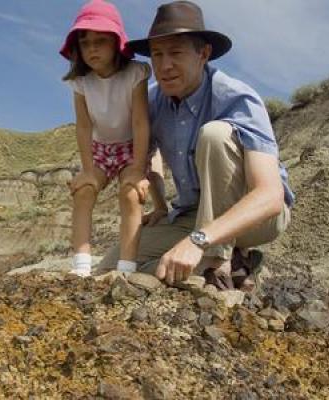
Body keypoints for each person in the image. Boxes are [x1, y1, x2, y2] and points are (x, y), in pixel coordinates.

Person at [97, 0, 295, 290]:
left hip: (254, 217)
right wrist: (161, 205)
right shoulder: (152, 101)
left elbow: (270, 195)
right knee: (113, 267)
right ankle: (229, 264)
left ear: (203, 54)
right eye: (157, 54)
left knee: (215, 135)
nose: (164, 66)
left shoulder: (237, 98)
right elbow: (142, 155)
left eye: (175, 53)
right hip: (192, 214)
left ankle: (217, 263)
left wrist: (198, 240)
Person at [60, 0, 169, 277]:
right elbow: (84, 127)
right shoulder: (81, 83)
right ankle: (82, 265)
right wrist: (86, 170)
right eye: (84, 43)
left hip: (133, 145)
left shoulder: (135, 73)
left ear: (117, 42)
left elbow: (140, 121)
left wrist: (136, 167)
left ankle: (126, 268)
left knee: (131, 193)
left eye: (100, 41)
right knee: (84, 192)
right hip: (100, 150)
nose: (92, 48)